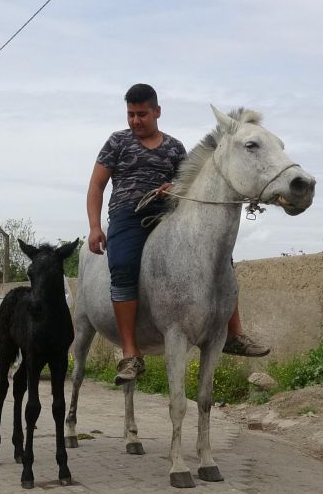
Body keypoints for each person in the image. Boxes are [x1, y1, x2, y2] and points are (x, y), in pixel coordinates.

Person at [86, 83, 269, 386]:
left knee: (221, 258)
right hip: (128, 217)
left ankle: (234, 334)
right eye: (131, 114)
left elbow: (187, 181)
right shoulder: (116, 143)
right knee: (122, 267)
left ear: (157, 112)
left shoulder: (174, 147)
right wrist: (95, 226)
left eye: (142, 114)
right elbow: (96, 186)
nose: (135, 121)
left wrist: (172, 187)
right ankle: (131, 353)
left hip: (169, 214)